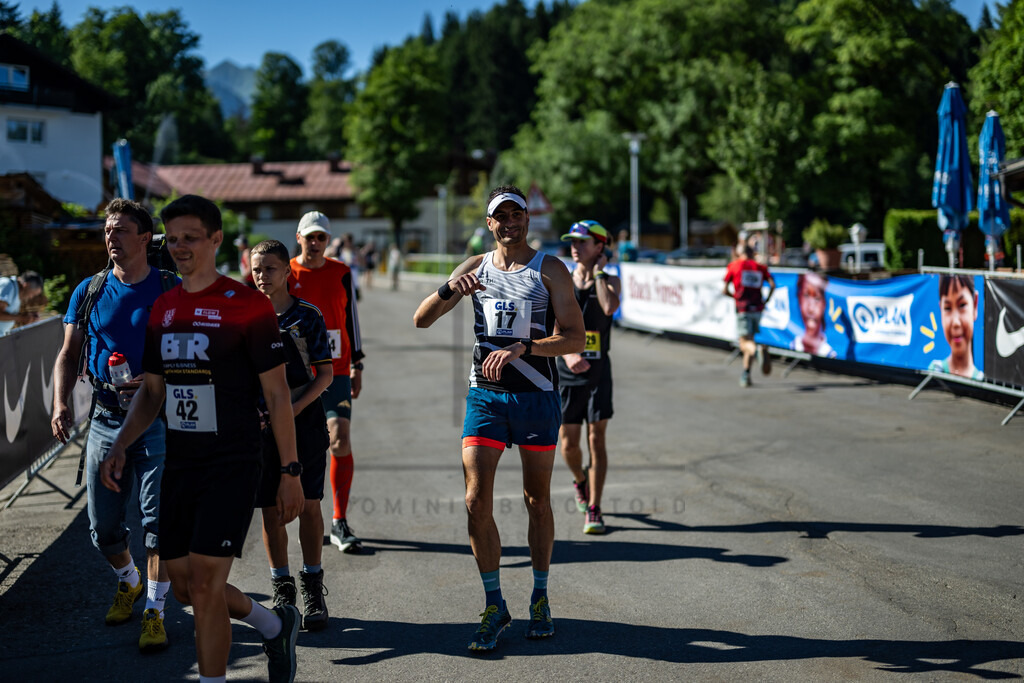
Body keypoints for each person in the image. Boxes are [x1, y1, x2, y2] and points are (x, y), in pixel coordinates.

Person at [101, 194, 304, 683]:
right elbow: (152, 391)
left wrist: (290, 472)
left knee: (209, 587)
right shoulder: (164, 307)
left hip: (232, 461)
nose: (179, 248)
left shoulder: (248, 305)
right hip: (181, 463)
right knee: (188, 589)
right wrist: (121, 443)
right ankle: (274, 625)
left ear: (216, 240)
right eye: (172, 240)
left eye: (191, 238)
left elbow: (277, 396)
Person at [413, 185, 585, 651]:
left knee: (537, 501)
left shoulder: (549, 269)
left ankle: (541, 596)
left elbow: (575, 339)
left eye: (516, 214)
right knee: (474, 500)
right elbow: (421, 319)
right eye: (500, 216)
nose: (509, 222)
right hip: (485, 399)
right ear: (489, 224)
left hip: (535, 397)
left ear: (527, 220)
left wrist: (524, 348)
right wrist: (451, 288)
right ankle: (494, 604)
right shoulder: (474, 268)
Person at [50, 199, 177, 652]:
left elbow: (196, 356)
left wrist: (159, 378)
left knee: (157, 524)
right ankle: (130, 579)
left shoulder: (170, 287)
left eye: (121, 230)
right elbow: (68, 354)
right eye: (108, 230)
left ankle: (155, 613)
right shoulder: (90, 289)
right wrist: (60, 403)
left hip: (159, 422)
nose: (111, 237)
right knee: (103, 530)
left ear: (145, 238)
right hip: (104, 420)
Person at [250, 239, 334, 631]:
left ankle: (312, 585)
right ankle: (281, 586)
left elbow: (326, 375)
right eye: (256, 269)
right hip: (260, 428)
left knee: (310, 504)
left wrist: (290, 410)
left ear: (287, 272)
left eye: (269, 268)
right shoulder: (244, 316)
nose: (262, 276)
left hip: (306, 424)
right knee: (270, 509)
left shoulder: (307, 316)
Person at [289, 211, 366, 554]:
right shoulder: (287, 271)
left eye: (322, 237)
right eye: (310, 237)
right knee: (303, 442)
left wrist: (358, 363)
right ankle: (310, 514)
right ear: (299, 238)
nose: (316, 243)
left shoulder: (341, 272)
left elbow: (351, 318)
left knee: (339, 439)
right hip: (297, 372)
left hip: (335, 369)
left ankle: (338, 519)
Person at [555, 220, 621, 535]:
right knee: (568, 443)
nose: (575, 247)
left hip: (598, 372)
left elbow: (609, 307)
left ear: (599, 246)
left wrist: (598, 273)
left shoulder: (610, 281)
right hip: (568, 373)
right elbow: (552, 325)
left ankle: (594, 508)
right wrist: (568, 354)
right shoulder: (562, 281)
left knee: (596, 438)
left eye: (582, 242)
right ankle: (580, 480)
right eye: (573, 242)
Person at [723, 244, 775, 387]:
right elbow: (772, 285)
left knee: (745, 343)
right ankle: (746, 375)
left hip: (743, 308)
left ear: (740, 253)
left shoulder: (735, 265)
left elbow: (724, 289)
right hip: (757, 308)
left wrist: (734, 297)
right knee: (749, 340)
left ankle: (758, 350)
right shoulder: (760, 267)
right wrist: (766, 301)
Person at [929, 274, 983, 380]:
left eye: (962, 305)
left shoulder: (982, 379)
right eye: (948, 308)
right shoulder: (933, 370)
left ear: (975, 305)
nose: (956, 322)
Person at [791, 272, 836, 358]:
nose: (811, 309)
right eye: (806, 295)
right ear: (799, 298)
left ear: (824, 303)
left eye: (817, 298)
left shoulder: (830, 353)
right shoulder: (793, 344)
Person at [0, 270, 43, 334]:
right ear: (26, 285)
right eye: (32, 294)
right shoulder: (8, 285)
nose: (31, 297)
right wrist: (21, 318)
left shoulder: (17, 294)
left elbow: (10, 316)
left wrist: (27, 318)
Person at [339, 233, 363, 301]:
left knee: (354, 306)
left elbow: (363, 263)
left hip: (354, 282)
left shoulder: (356, 251)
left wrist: (358, 253)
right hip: (342, 282)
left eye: (349, 241)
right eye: (345, 241)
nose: (347, 243)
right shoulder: (339, 251)